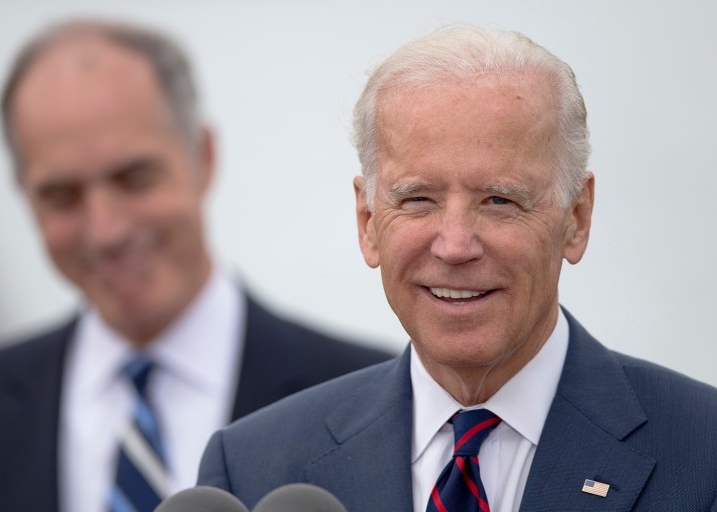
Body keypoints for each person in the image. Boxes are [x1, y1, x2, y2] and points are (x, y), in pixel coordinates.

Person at [196, 24, 717, 511]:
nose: (454, 246)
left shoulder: (703, 454)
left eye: (499, 200)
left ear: (576, 219)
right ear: (368, 222)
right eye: (418, 199)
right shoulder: (253, 468)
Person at [0, 19, 392, 512]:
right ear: (26, 200)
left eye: (134, 178)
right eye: (62, 196)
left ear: (202, 157)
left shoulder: (377, 400)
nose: (106, 230)